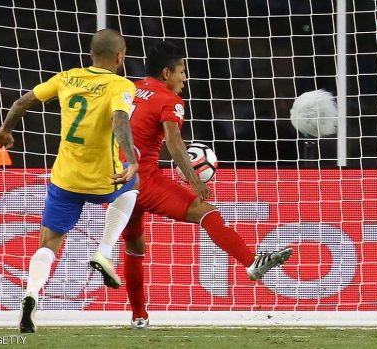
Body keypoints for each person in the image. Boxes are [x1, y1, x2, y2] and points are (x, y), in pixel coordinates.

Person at [122, 41, 292, 329]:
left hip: (115, 179)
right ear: (166, 73)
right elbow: (174, 143)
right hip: (144, 180)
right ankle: (251, 262)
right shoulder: (169, 100)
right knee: (206, 211)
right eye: (182, 72)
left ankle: (139, 315)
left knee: (134, 245)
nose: (185, 78)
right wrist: (192, 180)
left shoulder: (128, 89)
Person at [0, 29, 140, 333]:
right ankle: (104, 251)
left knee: (49, 242)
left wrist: (6, 130)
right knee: (134, 187)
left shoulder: (66, 77)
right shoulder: (120, 84)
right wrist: (132, 159)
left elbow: (21, 102)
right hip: (102, 178)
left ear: (91, 55)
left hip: (65, 178)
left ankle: (30, 293)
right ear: (120, 56)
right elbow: (120, 120)